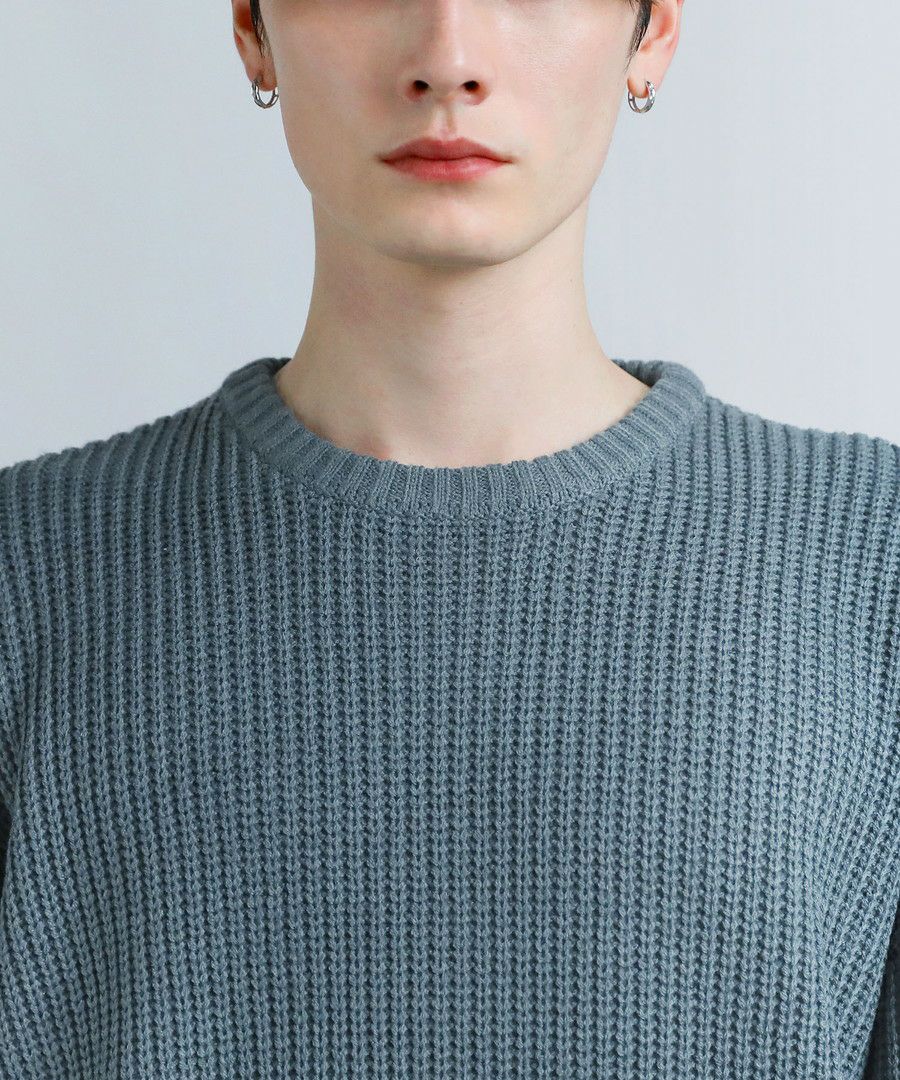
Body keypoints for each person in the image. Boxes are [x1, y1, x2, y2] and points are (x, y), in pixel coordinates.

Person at [0, 0, 898, 1076]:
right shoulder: (26, 571)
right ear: (251, 28)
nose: (450, 59)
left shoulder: (873, 558)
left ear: (652, 30)